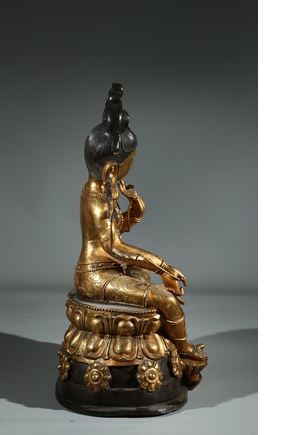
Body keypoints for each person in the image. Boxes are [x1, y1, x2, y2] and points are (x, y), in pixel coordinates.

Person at [74, 83, 207, 362]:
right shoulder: (96, 202)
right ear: (112, 169)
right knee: (165, 299)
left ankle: (163, 341)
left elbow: (119, 229)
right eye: (130, 163)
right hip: (95, 276)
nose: (132, 167)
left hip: (111, 266)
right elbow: (115, 248)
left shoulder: (104, 192)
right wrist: (164, 267)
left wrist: (135, 205)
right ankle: (185, 353)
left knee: (144, 280)